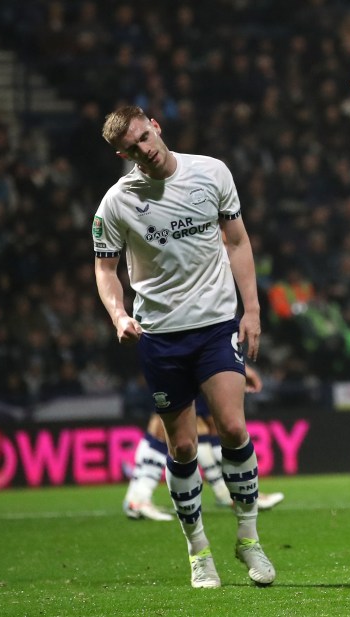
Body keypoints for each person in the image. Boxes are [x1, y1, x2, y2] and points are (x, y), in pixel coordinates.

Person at [93, 105, 275, 588]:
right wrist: (119, 316)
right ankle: (199, 552)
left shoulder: (211, 172)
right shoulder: (116, 203)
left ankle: (249, 539)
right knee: (183, 445)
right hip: (160, 335)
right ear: (122, 153)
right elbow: (105, 269)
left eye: (144, 137)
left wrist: (251, 309)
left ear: (156, 124)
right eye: (132, 149)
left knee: (234, 428)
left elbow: (237, 241)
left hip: (216, 325)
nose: (144, 150)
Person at [123, 364, 285, 521]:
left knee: (206, 422)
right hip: (180, 353)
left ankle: (228, 493)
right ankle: (139, 498)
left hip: (189, 354)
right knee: (168, 422)